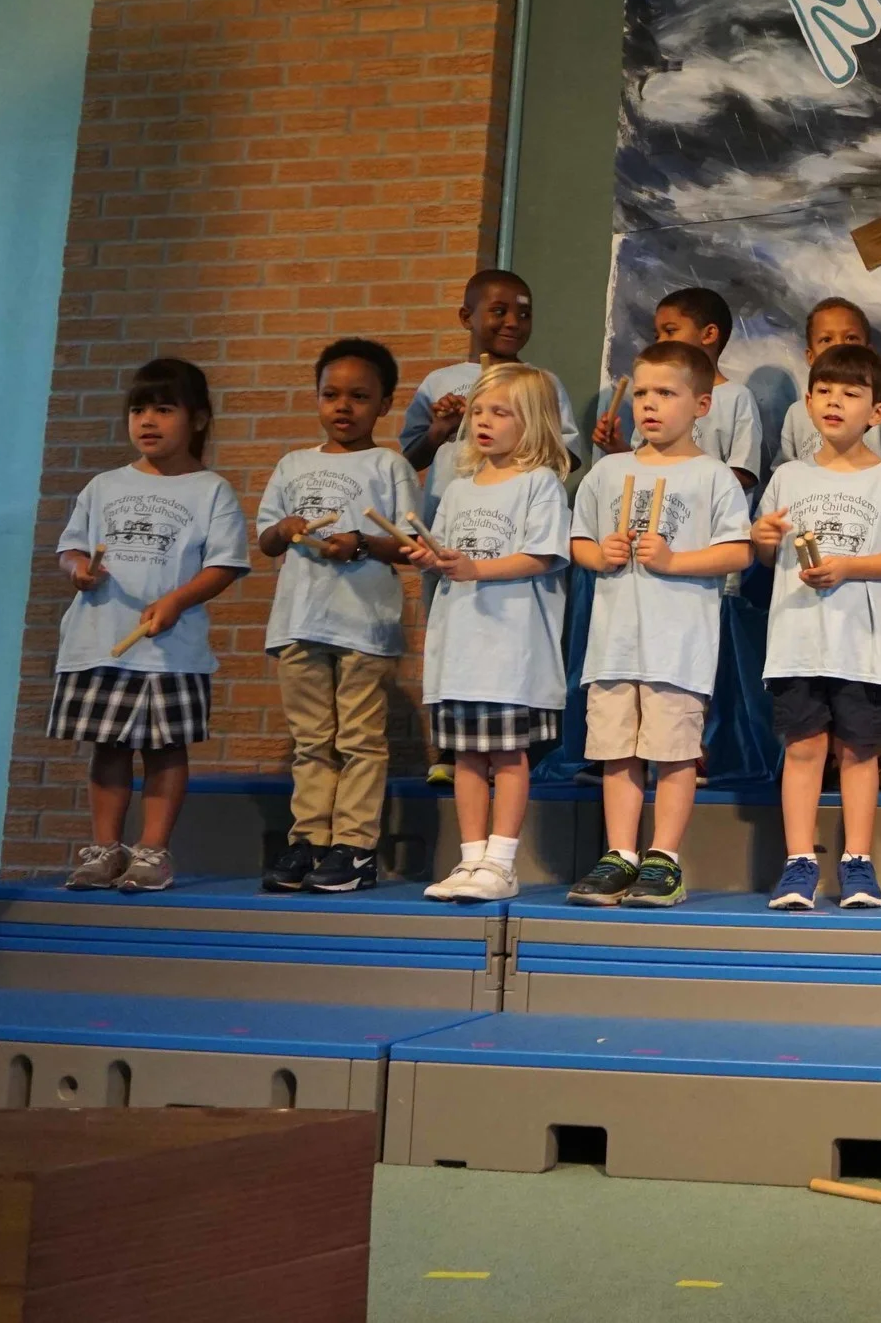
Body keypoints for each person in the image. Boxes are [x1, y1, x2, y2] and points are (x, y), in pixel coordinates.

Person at [563, 342, 754, 909]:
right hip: (614, 644)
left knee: (673, 752)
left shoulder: (712, 476)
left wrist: (674, 560)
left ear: (701, 405)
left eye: (666, 393)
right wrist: (600, 554)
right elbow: (579, 541)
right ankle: (619, 854)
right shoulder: (609, 471)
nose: (649, 404)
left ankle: (663, 858)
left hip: (677, 646)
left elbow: (737, 551)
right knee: (616, 749)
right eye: (642, 392)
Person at [51, 358, 250, 894]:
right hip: (99, 641)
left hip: (170, 650)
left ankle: (152, 851)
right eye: (138, 409)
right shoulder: (103, 485)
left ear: (198, 419)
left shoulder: (211, 490)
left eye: (163, 409)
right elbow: (70, 547)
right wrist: (79, 570)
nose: (147, 421)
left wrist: (177, 600)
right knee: (108, 746)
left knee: (165, 748)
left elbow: (226, 564)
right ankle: (105, 848)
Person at [752, 342, 881, 910]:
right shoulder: (787, 477)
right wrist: (760, 539)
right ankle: (798, 862)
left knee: (859, 751)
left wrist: (850, 566)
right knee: (803, 749)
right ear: (807, 402)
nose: (834, 402)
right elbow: (765, 555)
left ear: (877, 412)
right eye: (824, 391)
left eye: (850, 394)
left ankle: (857, 861)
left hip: (863, 645)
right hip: (797, 642)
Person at [255, 338, 418, 893]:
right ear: (317, 398)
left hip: (363, 626)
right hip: (299, 622)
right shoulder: (292, 464)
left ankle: (355, 846)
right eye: (331, 395)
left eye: (359, 396)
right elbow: (266, 540)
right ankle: (309, 840)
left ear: (384, 404)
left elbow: (412, 544)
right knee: (311, 742)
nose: (343, 406)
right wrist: (284, 529)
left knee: (360, 741)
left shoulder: (390, 465)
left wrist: (362, 543)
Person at [411, 363, 573, 902]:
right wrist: (430, 557)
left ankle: (501, 863)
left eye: (500, 412)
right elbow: (448, 555)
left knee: (507, 757)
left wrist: (476, 568)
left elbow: (542, 555)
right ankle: (470, 858)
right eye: (478, 411)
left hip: (509, 652)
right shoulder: (458, 490)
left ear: (533, 422)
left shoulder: (539, 484)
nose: (483, 421)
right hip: (460, 650)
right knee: (464, 757)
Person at [398, 268, 582, 520]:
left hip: (513, 519)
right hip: (447, 520)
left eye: (524, 314)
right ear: (466, 317)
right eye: (499, 311)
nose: (513, 322)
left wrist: (522, 429)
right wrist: (440, 430)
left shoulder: (542, 384)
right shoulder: (439, 382)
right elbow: (410, 460)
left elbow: (568, 458)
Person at [591, 286, 763, 493]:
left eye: (670, 331)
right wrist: (618, 448)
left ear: (709, 334)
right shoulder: (654, 399)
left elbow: (744, 473)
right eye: (657, 335)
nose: (661, 341)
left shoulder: (737, 397)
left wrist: (683, 476)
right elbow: (644, 462)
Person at [779, 297, 881, 473]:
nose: (839, 347)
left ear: (869, 351)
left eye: (851, 338)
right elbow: (785, 474)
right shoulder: (795, 414)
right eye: (826, 339)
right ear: (810, 356)